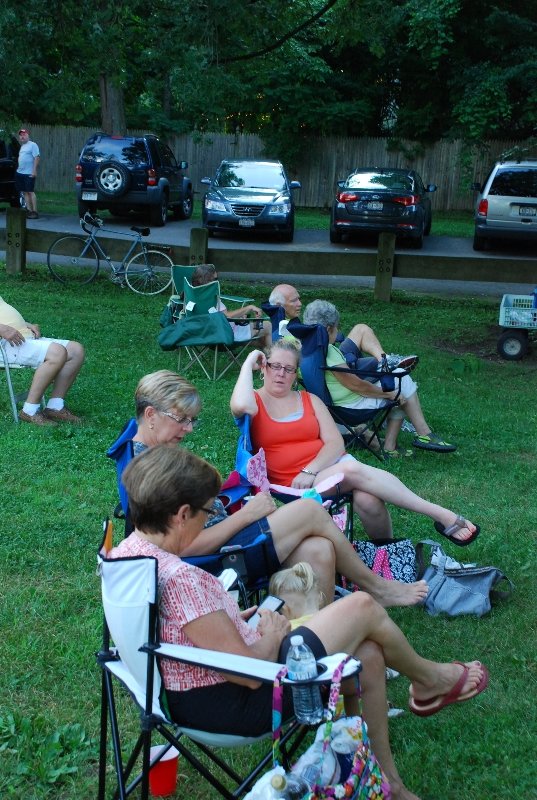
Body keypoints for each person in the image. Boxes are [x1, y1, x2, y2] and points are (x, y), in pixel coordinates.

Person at [111, 443, 489, 800]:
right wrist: (271, 634)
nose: (208, 522)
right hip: (236, 704)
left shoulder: (128, 553)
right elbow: (247, 673)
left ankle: (387, 783)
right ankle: (430, 681)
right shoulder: (180, 578)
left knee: (369, 655)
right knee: (361, 606)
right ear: (181, 515)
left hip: (198, 689)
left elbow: (182, 626)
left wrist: (231, 621)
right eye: (208, 513)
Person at [108, 370, 430, 608]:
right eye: (182, 419)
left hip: (226, 537)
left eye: (192, 420)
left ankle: (317, 639)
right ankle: (377, 588)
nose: (189, 428)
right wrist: (248, 514)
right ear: (150, 415)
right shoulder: (148, 471)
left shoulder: (146, 451)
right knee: (309, 510)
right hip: (218, 558)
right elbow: (183, 548)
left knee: (318, 548)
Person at [230, 339, 480, 547]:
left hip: (323, 469)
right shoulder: (254, 401)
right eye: (274, 366)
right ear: (263, 368)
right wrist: (248, 361)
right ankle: (440, 514)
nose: (281, 373)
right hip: (292, 483)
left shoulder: (309, 400)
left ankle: (387, 553)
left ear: (296, 374)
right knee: (351, 469)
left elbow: (335, 443)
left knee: (368, 500)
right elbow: (240, 405)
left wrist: (311, 469)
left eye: (289, 369)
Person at [268, 283, 454, 452]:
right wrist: (388, 395)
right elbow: (356, 385)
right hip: (350, 407)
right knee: (401, 381)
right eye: (336, 328)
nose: (338, 332)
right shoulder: (328, 352)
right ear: (328, 329)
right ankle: (421, 434)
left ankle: (386, 365)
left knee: (395, 378)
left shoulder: (300, 345)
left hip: (334, 400)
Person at [0, 294, 85, 424]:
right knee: (57, 353)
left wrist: (25, 325)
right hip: (4, 344)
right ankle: (29, 410)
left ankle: (55, 406)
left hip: (20, 338)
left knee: (75, 350)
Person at [192, 264, 272, 349]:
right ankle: (273, 355)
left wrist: (238, 317)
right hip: (227, 335)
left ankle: (267, 352)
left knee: (261, 341)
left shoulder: (192, 295)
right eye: (215, 279)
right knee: (267, 325)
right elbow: (227, 316)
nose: (217, 282)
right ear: (207, 280)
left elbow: (220, 316)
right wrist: (249, 307)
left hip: (205, 335)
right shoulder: (211, 299)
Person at [15, 129, 40, 219]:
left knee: (30, 191)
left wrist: (34, 170)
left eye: (24, 135)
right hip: (20, 173)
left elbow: (37, 157)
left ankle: (35, 211)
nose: (22, 136)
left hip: (29, 173)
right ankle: (29, 211)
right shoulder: (22, 146)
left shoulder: (33, 145)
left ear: (28, 135)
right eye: (21, 135)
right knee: (25, 192)